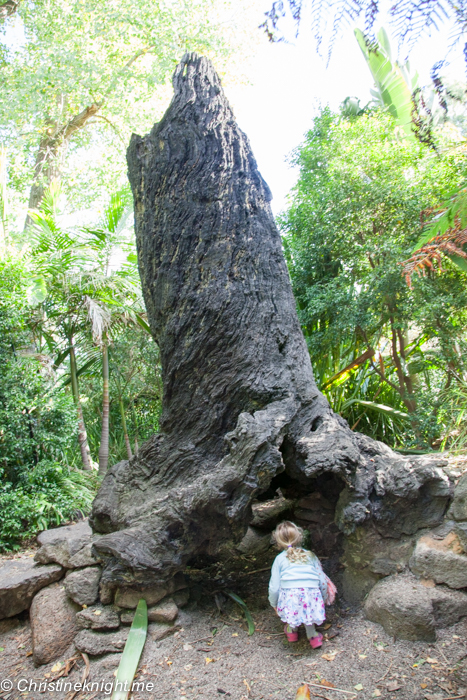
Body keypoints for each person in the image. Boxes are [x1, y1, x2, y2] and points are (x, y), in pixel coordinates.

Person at [268, 520, 336, 648]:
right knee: (307, 608)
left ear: (277, 540)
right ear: (300, 536)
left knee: (294, 602)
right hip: (311, 594)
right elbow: (321, 579)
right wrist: (323, 596)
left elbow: (274, 587)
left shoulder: (279, 559)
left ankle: (291, 632)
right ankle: (313, 636)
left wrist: (274, 603)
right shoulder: (310, 555)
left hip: (290, 598)